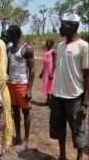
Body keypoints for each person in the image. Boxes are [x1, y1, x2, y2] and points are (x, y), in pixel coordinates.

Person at [49, 13, 89, 160]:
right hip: (58, 95)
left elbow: (87, 75)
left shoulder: (83, 46)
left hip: (75, 97)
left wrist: (85, 102)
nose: (60, 27)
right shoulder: (60, 46)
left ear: (72, 26)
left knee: (77, 130)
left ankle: (79, 157)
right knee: (59, 129)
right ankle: (62, 155)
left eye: (63, 24)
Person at [6, 25, 35, 150]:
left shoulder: (27, 49)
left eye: (8, 33)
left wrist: (29, 89)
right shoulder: (10, 49)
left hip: (22, 85)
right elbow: (8, 67)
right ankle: (17, 136)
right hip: (10, 84)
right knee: (15, 111)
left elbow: (32, 69)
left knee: (25, 112)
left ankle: (26, 139)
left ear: (15, 34)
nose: (6, 36)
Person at [39, 39, 56, 105]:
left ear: (52, 44)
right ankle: (48, 101)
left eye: (48, 43)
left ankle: (52, 102)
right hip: (46, 71)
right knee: (47, 85)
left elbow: (54, 63)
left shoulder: (53, 52)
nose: (47, 44)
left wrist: (52, 73)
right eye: (46, 43)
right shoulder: (46, 52)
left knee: (51, 86)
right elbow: (44, 64)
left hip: (51, 71)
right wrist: (42, 72)